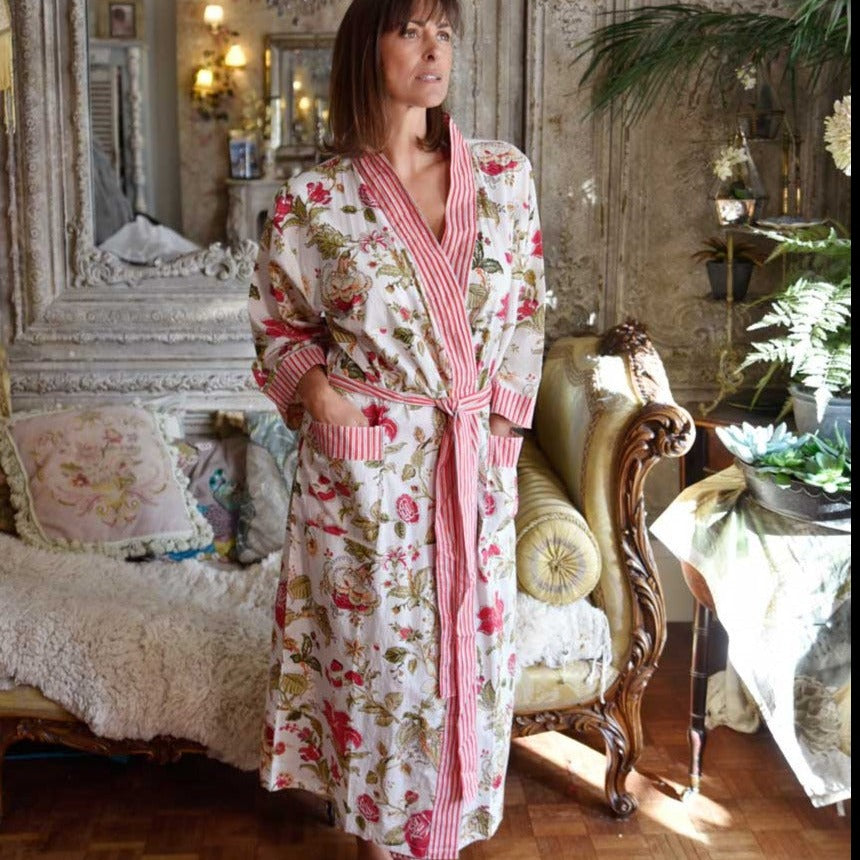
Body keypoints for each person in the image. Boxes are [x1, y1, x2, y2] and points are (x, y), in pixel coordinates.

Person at [247, 1, 545, 857]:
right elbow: (278, 327)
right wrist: (323, 401)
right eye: (410, 31)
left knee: (468, 657)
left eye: (443, 31)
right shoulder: (314, 200)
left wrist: (503, 432)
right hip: (365, 477)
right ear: (366, 48)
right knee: (378, 666)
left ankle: (443, 835)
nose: (433, 49)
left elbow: (526, 312)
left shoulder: (504, 176)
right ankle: (376, 843)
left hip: (471, 461)